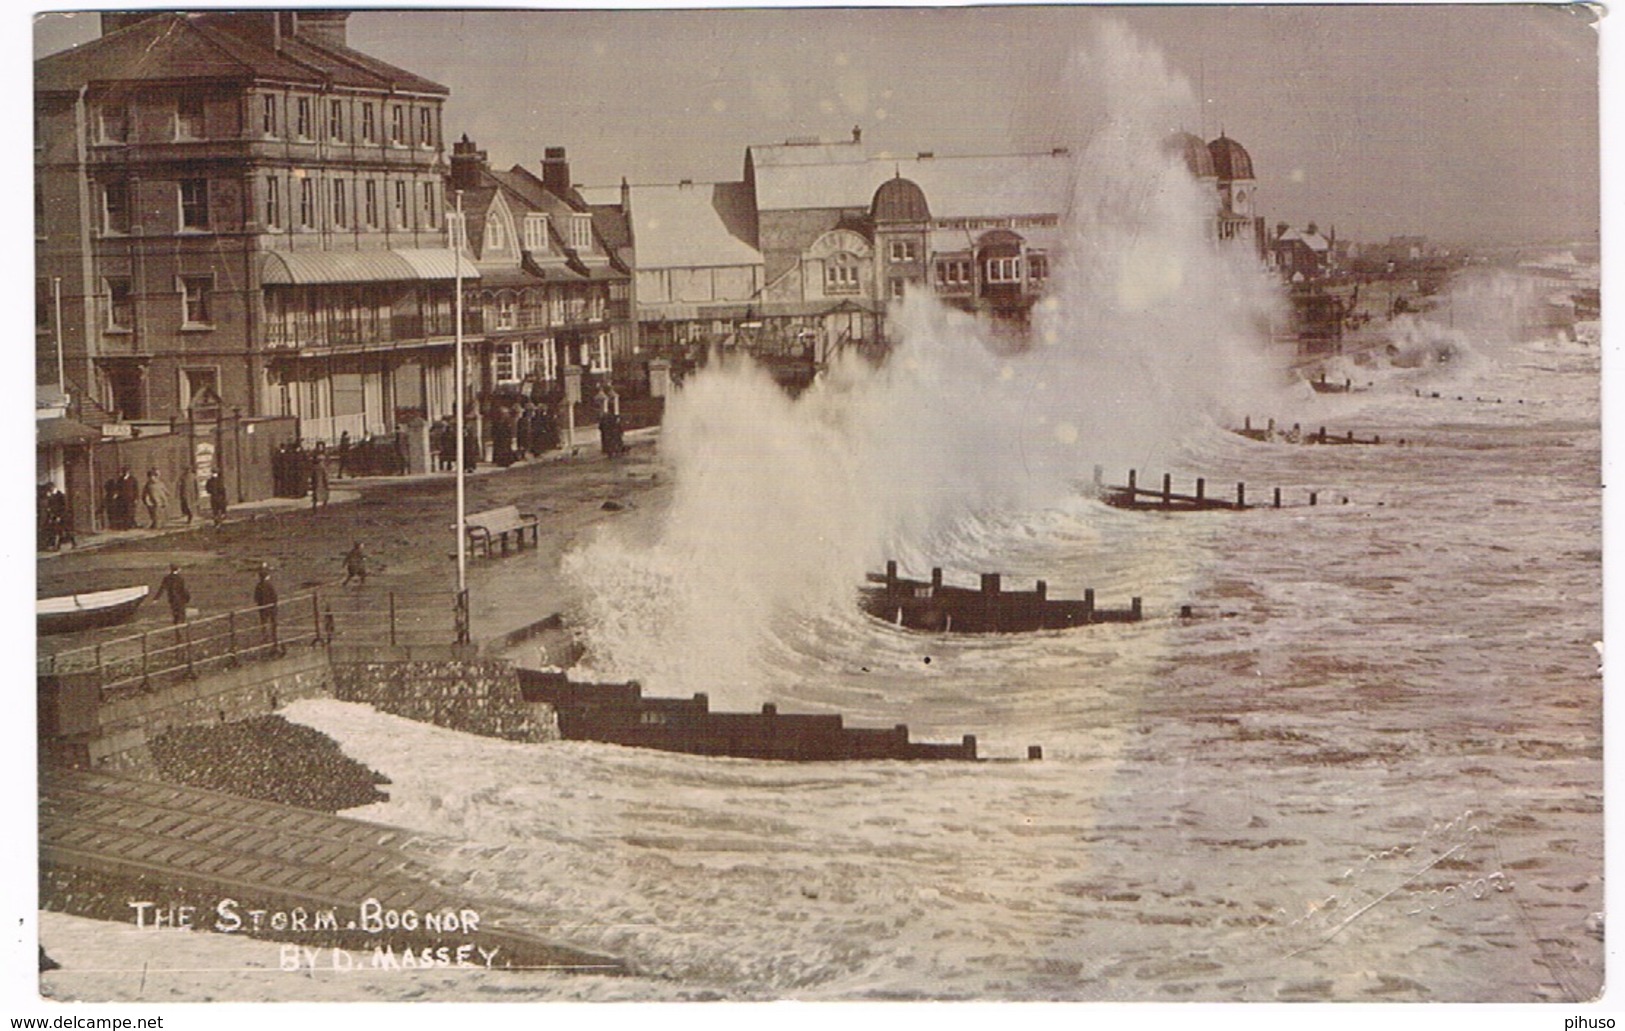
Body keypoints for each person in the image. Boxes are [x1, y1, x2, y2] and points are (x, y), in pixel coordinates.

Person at [254, 564, 279, 649]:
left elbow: (256, 598)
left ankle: (265, 637)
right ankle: (273, 638)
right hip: (271, 607)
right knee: (273, 623)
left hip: (263, 608)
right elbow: (275, 596)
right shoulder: (269, 585)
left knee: (264, 623)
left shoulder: (259, 586)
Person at [46, 484, 72, 550]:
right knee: (58, 531)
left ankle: (58, 546)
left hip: (62, 516)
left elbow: (63, 507)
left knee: (63, 530)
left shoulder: (60, 495)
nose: (50, 490)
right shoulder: (51, 495)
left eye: (50, 489)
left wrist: (59, 516)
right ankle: (57, 546)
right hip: (55, 515)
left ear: (53, 487)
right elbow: (50, 506)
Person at [309, 447, 330, 511]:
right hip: (317, 476)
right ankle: (315, 505)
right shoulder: (315, 466)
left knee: (324, 489)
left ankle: (324, 503)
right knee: (316, 490)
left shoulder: (322, 466)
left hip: (322, 475)